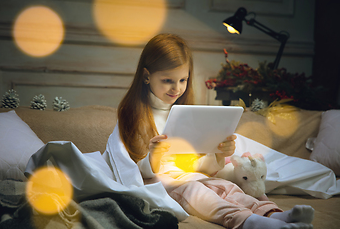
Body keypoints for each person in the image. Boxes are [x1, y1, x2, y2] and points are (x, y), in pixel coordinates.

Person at [116, 33, 314, 229]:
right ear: (146, 76)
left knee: (228, 187)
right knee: (198, 193)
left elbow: (199, 164)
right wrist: (153, 156)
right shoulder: (134, 115)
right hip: (162, 185)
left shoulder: (186, 113)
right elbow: (126, 168)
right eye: (168, 80)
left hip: (191, 176)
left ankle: (273, 214)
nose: (176, 88)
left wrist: (218, 153)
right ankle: (251, 222)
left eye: (183, 80)